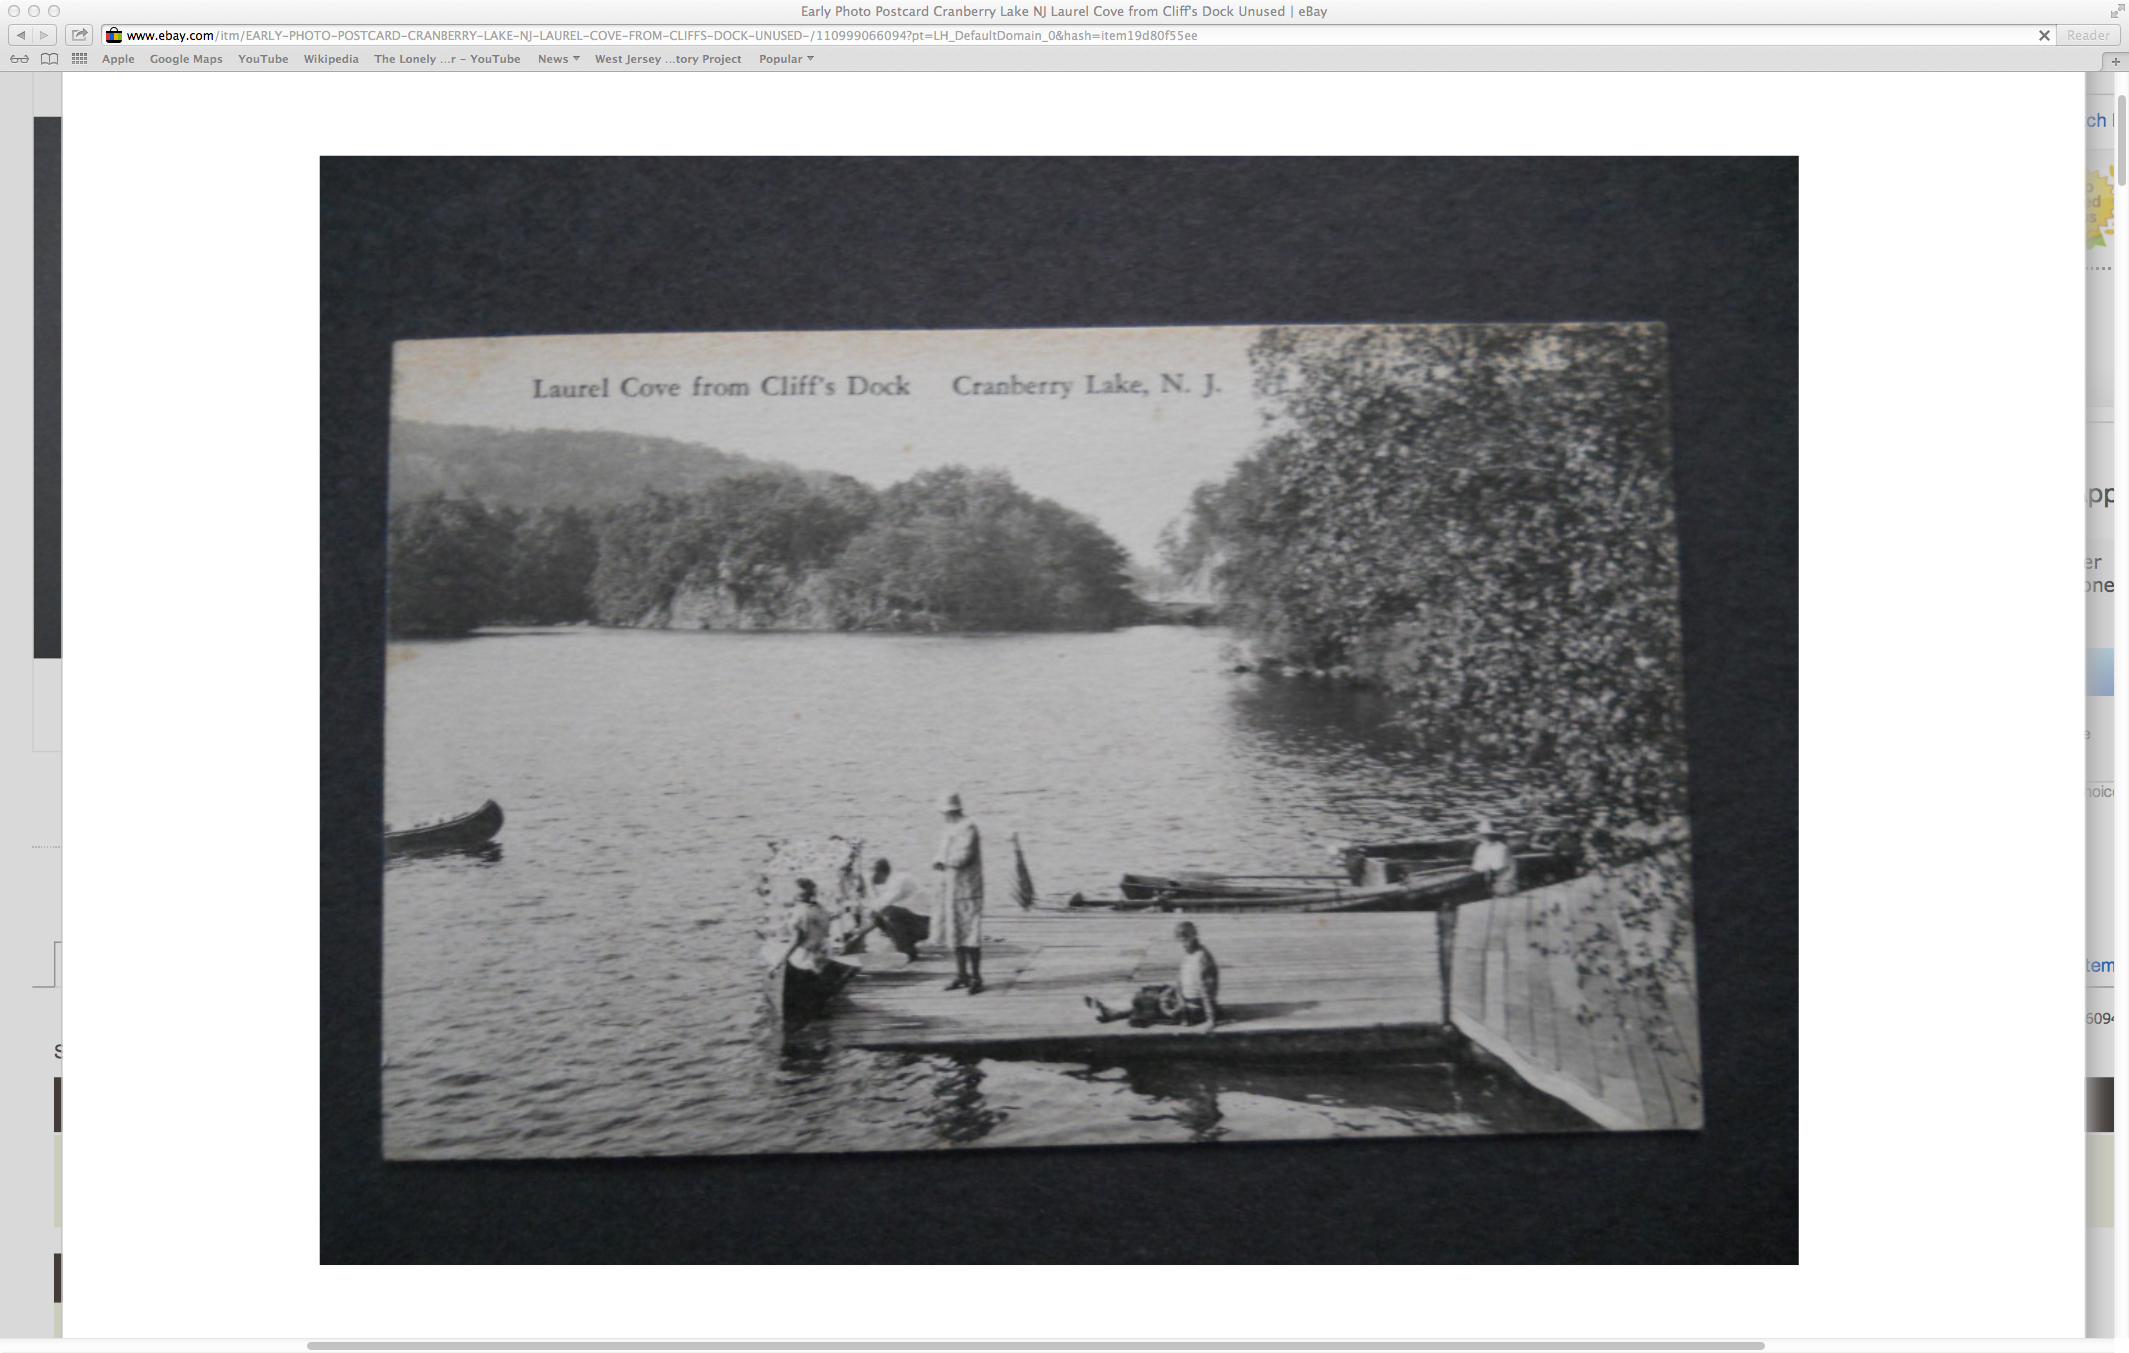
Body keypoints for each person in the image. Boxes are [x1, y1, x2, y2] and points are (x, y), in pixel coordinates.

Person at [1083, 921, 1220, 1033]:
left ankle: (1112, 1013)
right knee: (1145, 993)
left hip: (1193, 1009)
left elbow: (1207, 992)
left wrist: (1210, 1020)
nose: (1183, 945)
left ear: (1194, 936)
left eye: (1186, 940)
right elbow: (1181, 979)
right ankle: (1112, 1012)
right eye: (1180, 941)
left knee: (1147, 1004)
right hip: (1182, 997)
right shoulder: (1190, 953)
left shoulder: (1202, 959)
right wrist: (1171, 991)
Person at [932, 791, 986, 993]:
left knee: (971, 933)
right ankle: (961, 974)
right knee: (954, 933)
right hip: (950, 887)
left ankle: (976, 977)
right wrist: (938, 861)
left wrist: (944, 862)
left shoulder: (968, 827)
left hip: (968, 888)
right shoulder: (949, 828)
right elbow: (942, 851)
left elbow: (964, 856)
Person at [843, 857, 930, 963]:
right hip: (914, 920)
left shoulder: (900, 880)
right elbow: (874, 909)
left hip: (923, 924)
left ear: (879, 872)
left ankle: (907, 950)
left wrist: (859, 933)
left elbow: (879, 907)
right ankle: (903, 947)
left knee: (888, 913)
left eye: (871, 873)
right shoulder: (890, 881)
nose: (869, 877)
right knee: (881, 915)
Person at [777, 877, 834, 973]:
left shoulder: (800, 912)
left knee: (776, 954)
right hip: (825, 954)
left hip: (806, 959)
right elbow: (826, 932)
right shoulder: (821, 908)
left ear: (797, 894)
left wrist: (778, 964)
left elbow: (795, 942)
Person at [1470, 820, 1519, 896]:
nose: (1486, 837)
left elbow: (1497, 866)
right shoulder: (1480, 847)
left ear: (1493, 835)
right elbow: (1475, 866)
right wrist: (1485, 866)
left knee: (1494, 890)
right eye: (1484, 835)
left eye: (1488, 835)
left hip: (1505, 883)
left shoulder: (1501, 848)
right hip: (1490, 880)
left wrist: (1484, 865)